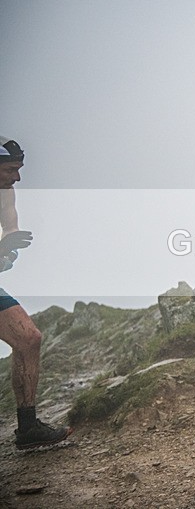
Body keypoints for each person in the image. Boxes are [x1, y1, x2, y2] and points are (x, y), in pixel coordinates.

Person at [0, 136, 72, 449]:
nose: (18, 177)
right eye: (12, 169)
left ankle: (28, 428)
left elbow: (11, 229)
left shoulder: (5, 192)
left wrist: (8, 251)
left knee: (29, 338)